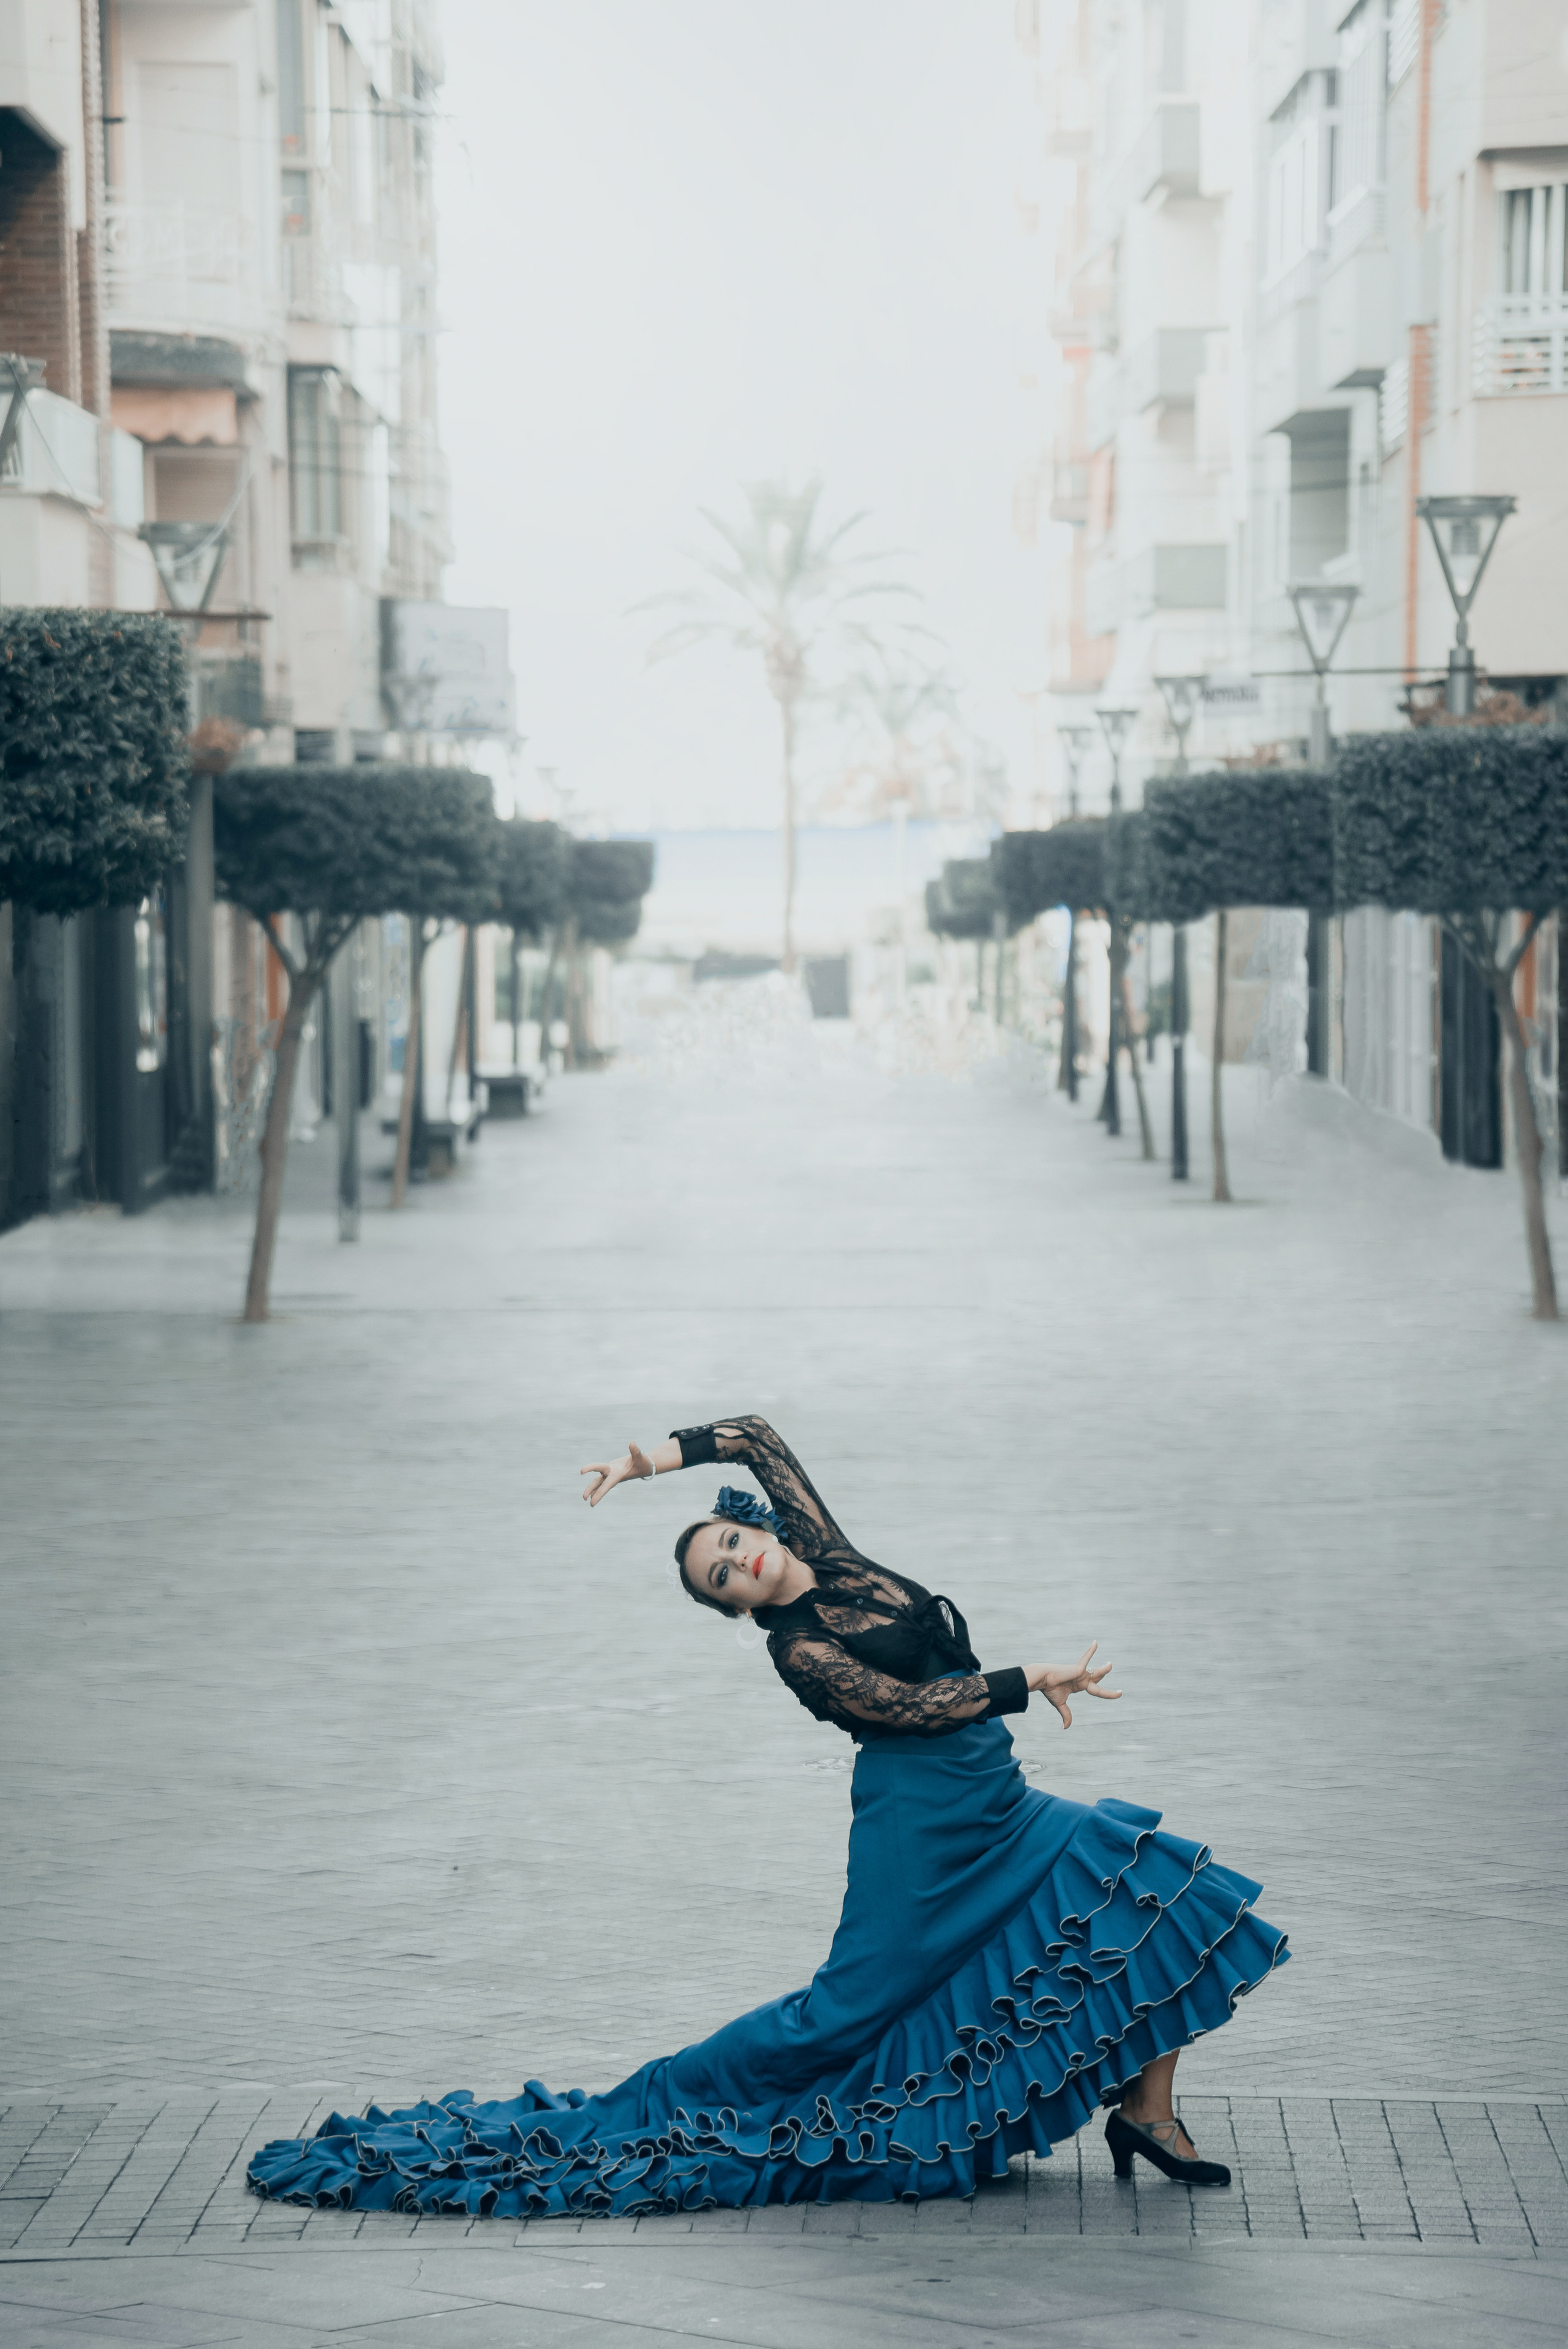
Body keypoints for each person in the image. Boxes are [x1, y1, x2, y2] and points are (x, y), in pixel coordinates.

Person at [247, 1414, 1286, 2218]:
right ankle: (664, 2098)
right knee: (847, 2010)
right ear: (734, 1608)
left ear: (756, 1527)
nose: (734, 1560)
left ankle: (1145, 2114)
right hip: (921, 1827)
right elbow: (913, 1707)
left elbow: (751, 1433)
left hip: (995, 1796)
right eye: (717, 1577)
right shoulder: (799, 1648)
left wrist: (645, 1463)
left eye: (730, 1541)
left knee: (1155, 1886)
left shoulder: (826, 1550)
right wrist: (1029, 1674)